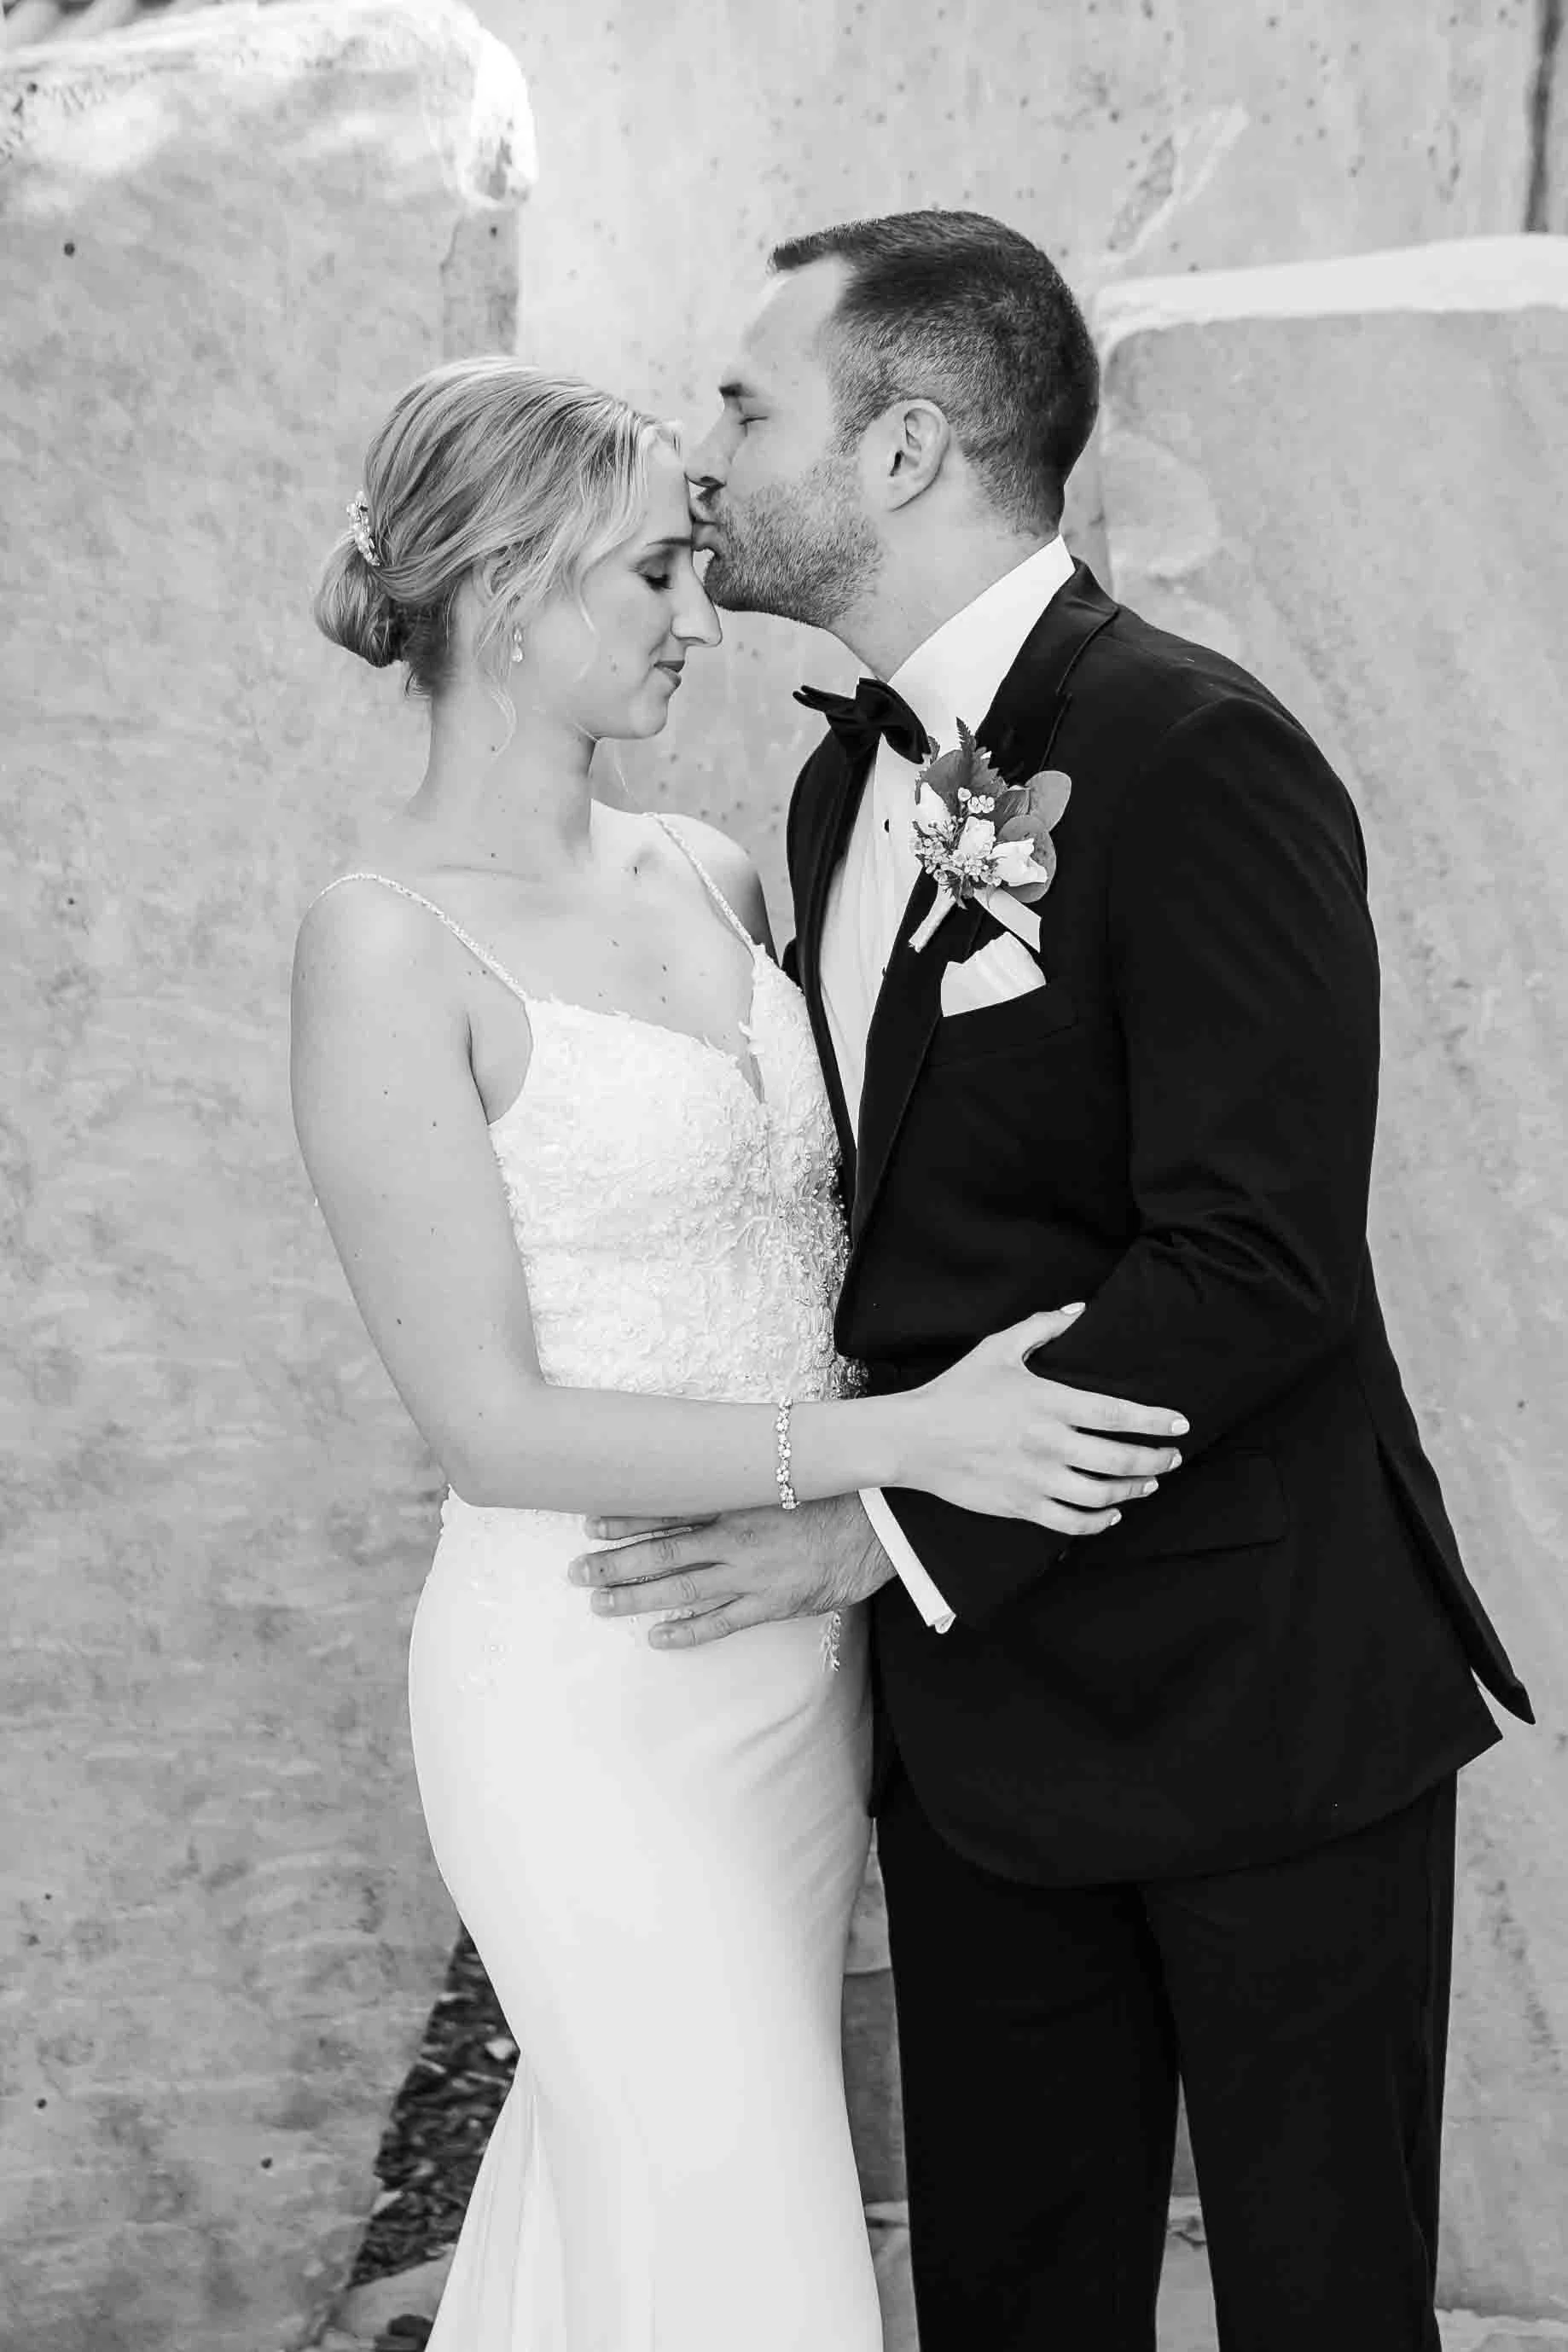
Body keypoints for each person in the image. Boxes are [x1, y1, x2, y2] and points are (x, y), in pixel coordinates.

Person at [580, 211, 1534, 2352]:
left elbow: (1254, 1259)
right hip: (983, 1726)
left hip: (1259, 1690)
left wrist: (874, 1523)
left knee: (1318, 2304)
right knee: (1013, 2297)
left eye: (748, 403)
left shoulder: (1198, 754)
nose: (703, 452)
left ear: (905, 446)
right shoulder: (840, 789)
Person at [291, 356, 1184, 2351]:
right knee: (742, 2236)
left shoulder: (715, 871)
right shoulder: (385, 944)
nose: (705, 620)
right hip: (590, 1680)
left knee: (635, 2220)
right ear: (509, 588)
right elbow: (493, 1424)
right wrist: (908, 1447)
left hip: (799, 1683)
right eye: (656, 577)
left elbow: (852, 1230)